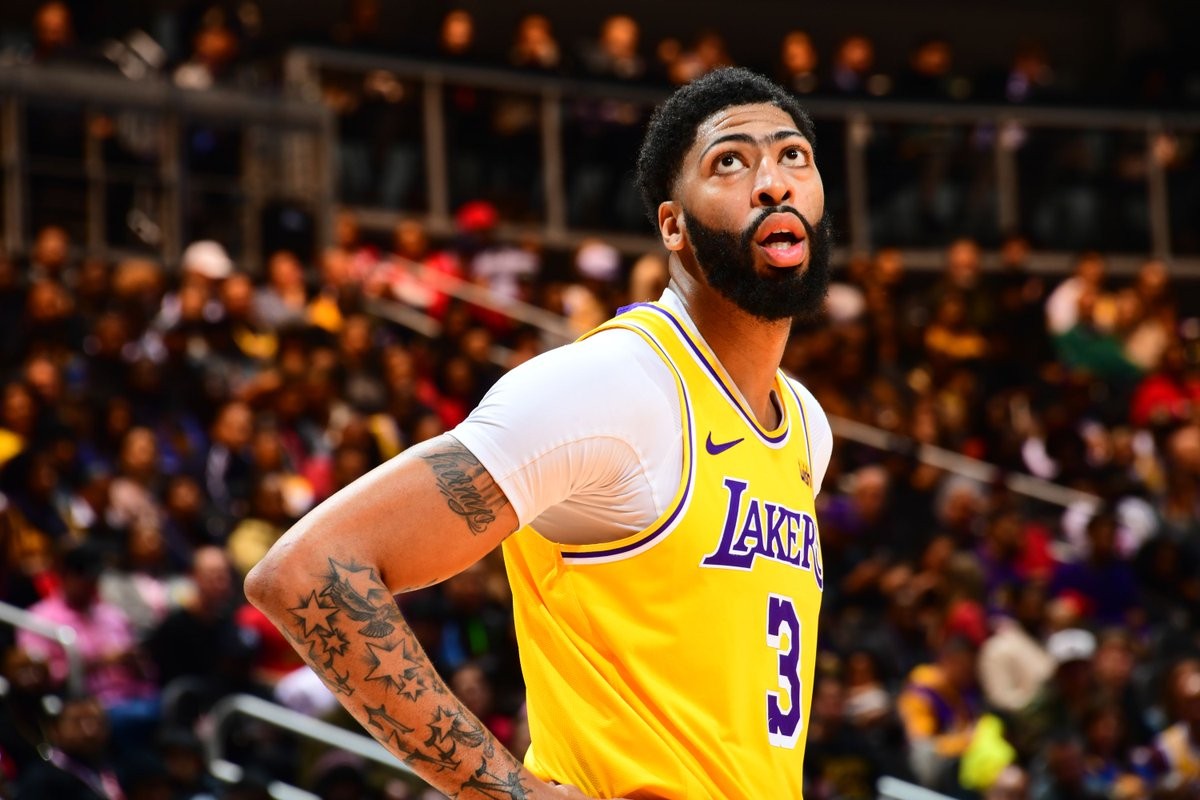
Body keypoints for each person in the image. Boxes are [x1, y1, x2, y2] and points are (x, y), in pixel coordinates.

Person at [246, 67, 834, 799]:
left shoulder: (804, 424)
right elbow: (308, 571)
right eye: (730, 163)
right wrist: (509, 793)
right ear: (672, 225)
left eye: (792, 155)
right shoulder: (615, 384)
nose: (773, 183)